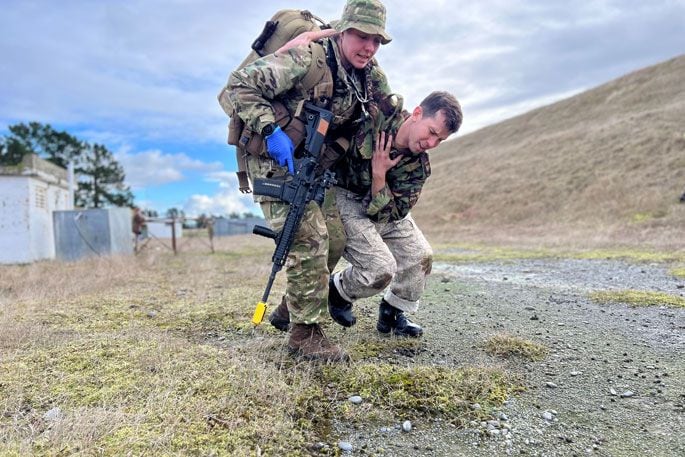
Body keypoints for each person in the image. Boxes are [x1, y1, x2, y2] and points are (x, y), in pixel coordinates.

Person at [222, 0, 395, 362]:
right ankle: (305, 334)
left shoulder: (367, 73)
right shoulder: (308, 58)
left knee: (334, 239)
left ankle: (292, 306)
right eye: (362, 36)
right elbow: (240, 86)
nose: (369, 47)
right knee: (308, 236)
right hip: (272, 159)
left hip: (310, 163)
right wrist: (270, 130)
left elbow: (390, 111)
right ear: (343, 30)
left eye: (376, 40)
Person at [328, 91, 463, 337]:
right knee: (381, 269)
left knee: (421, 255)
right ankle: (338, 290)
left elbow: (394, 213)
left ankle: (393, 313)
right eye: (432, 132)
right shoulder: (376, 118)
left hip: (385, 210)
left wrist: (379, 176)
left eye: (440, 140)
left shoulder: (419, 167)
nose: (431, 144)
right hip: (346, 198)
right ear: (417, 114)